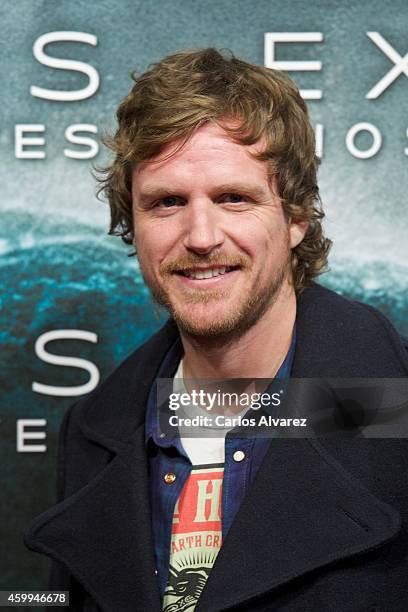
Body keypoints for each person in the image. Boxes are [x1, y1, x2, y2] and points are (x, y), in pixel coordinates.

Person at [25, 48, 408, 612]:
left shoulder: (391, 406)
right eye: (167, 203)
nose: (201, 236)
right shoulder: (97, 429)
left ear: (296, 216)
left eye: (233, 198)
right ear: (133, 224)